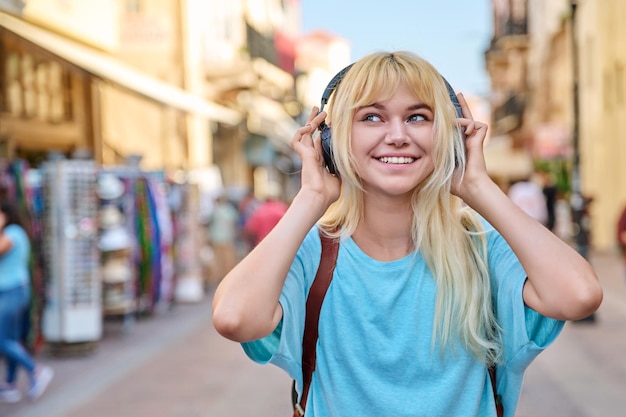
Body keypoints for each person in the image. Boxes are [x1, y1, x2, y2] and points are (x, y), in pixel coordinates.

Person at [212, 51, 602, 417]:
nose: (397, 135)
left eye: (417, 117)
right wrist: (311, 197)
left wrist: (478, 186)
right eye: (372, 117)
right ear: (330, 140)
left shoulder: (480, 247)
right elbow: (234, 317)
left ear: (449, 137)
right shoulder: (312, 253)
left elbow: (579, 295)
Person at [0, 202, 53, 403]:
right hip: (13, 291)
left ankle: (35, 370)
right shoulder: (16, 232)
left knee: (1, 339)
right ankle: (10, 385)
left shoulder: (13, 233)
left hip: (11, 292)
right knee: (11, 338)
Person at [206, 194, 240, 287]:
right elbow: (234, 223)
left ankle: (219, 279)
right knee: (228, 260)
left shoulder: (215, 211)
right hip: (227, 238)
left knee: (218, 260)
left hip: (217, 239)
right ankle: (228, 279)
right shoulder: (230, 210)